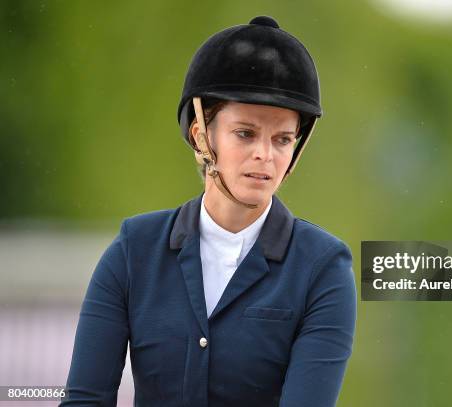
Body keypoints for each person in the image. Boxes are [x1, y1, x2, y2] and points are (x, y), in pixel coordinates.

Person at [61, 15, 357, 407]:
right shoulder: (134, 250)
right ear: (201, 136)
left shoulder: (323, 268)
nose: (265, 155)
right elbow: (85, 400)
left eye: (283, 139)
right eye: (245, 133)